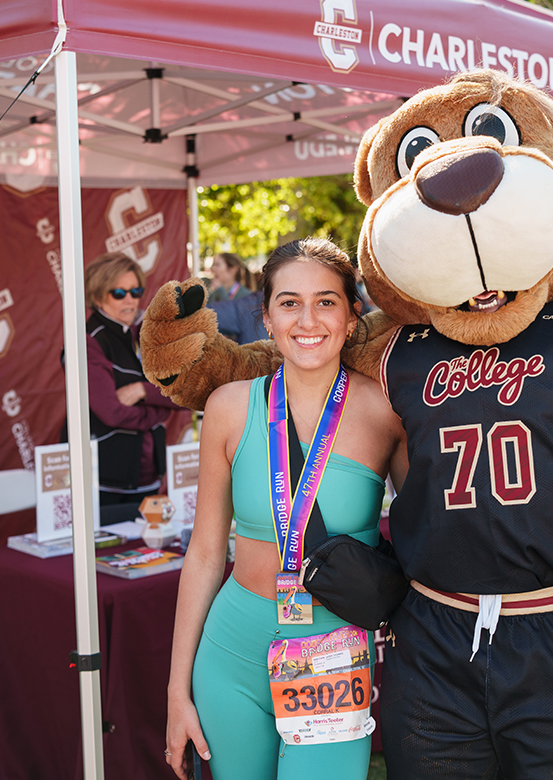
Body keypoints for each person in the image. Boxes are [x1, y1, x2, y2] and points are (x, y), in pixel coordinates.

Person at [166, 238, 407, 780]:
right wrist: (176, 691)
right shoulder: (229, 407)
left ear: (351, 315)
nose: (308, 319)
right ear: (267, 317)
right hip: (231, 653)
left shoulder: (386, 411)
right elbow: (204, 554)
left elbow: (424, 536)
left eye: (326, 301)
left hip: (333, 653)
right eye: (289, 302)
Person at [81, 252, 180, 525]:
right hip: (106, 477)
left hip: (148, 472)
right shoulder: (90, 341)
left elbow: (185, 391)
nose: (130, 300)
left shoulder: (143, 334)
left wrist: (143, 391)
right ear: (98, 295)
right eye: (118, 293)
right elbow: (111, 412)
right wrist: (159, 413)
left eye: (135, 291)